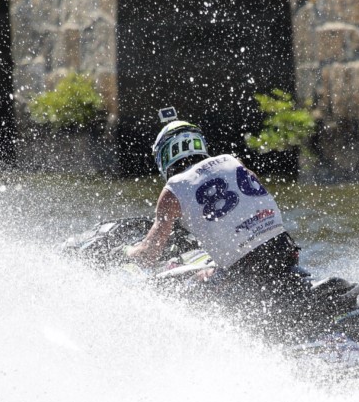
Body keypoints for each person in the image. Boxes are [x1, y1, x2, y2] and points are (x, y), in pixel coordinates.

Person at [125, 107, 311, 335]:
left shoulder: (173, 189)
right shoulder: (233, 162)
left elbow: (149, 254)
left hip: (246, 269)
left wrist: (126, 253)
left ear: (164, 156)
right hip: (284, 251)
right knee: (212, 272)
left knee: (181, 291)